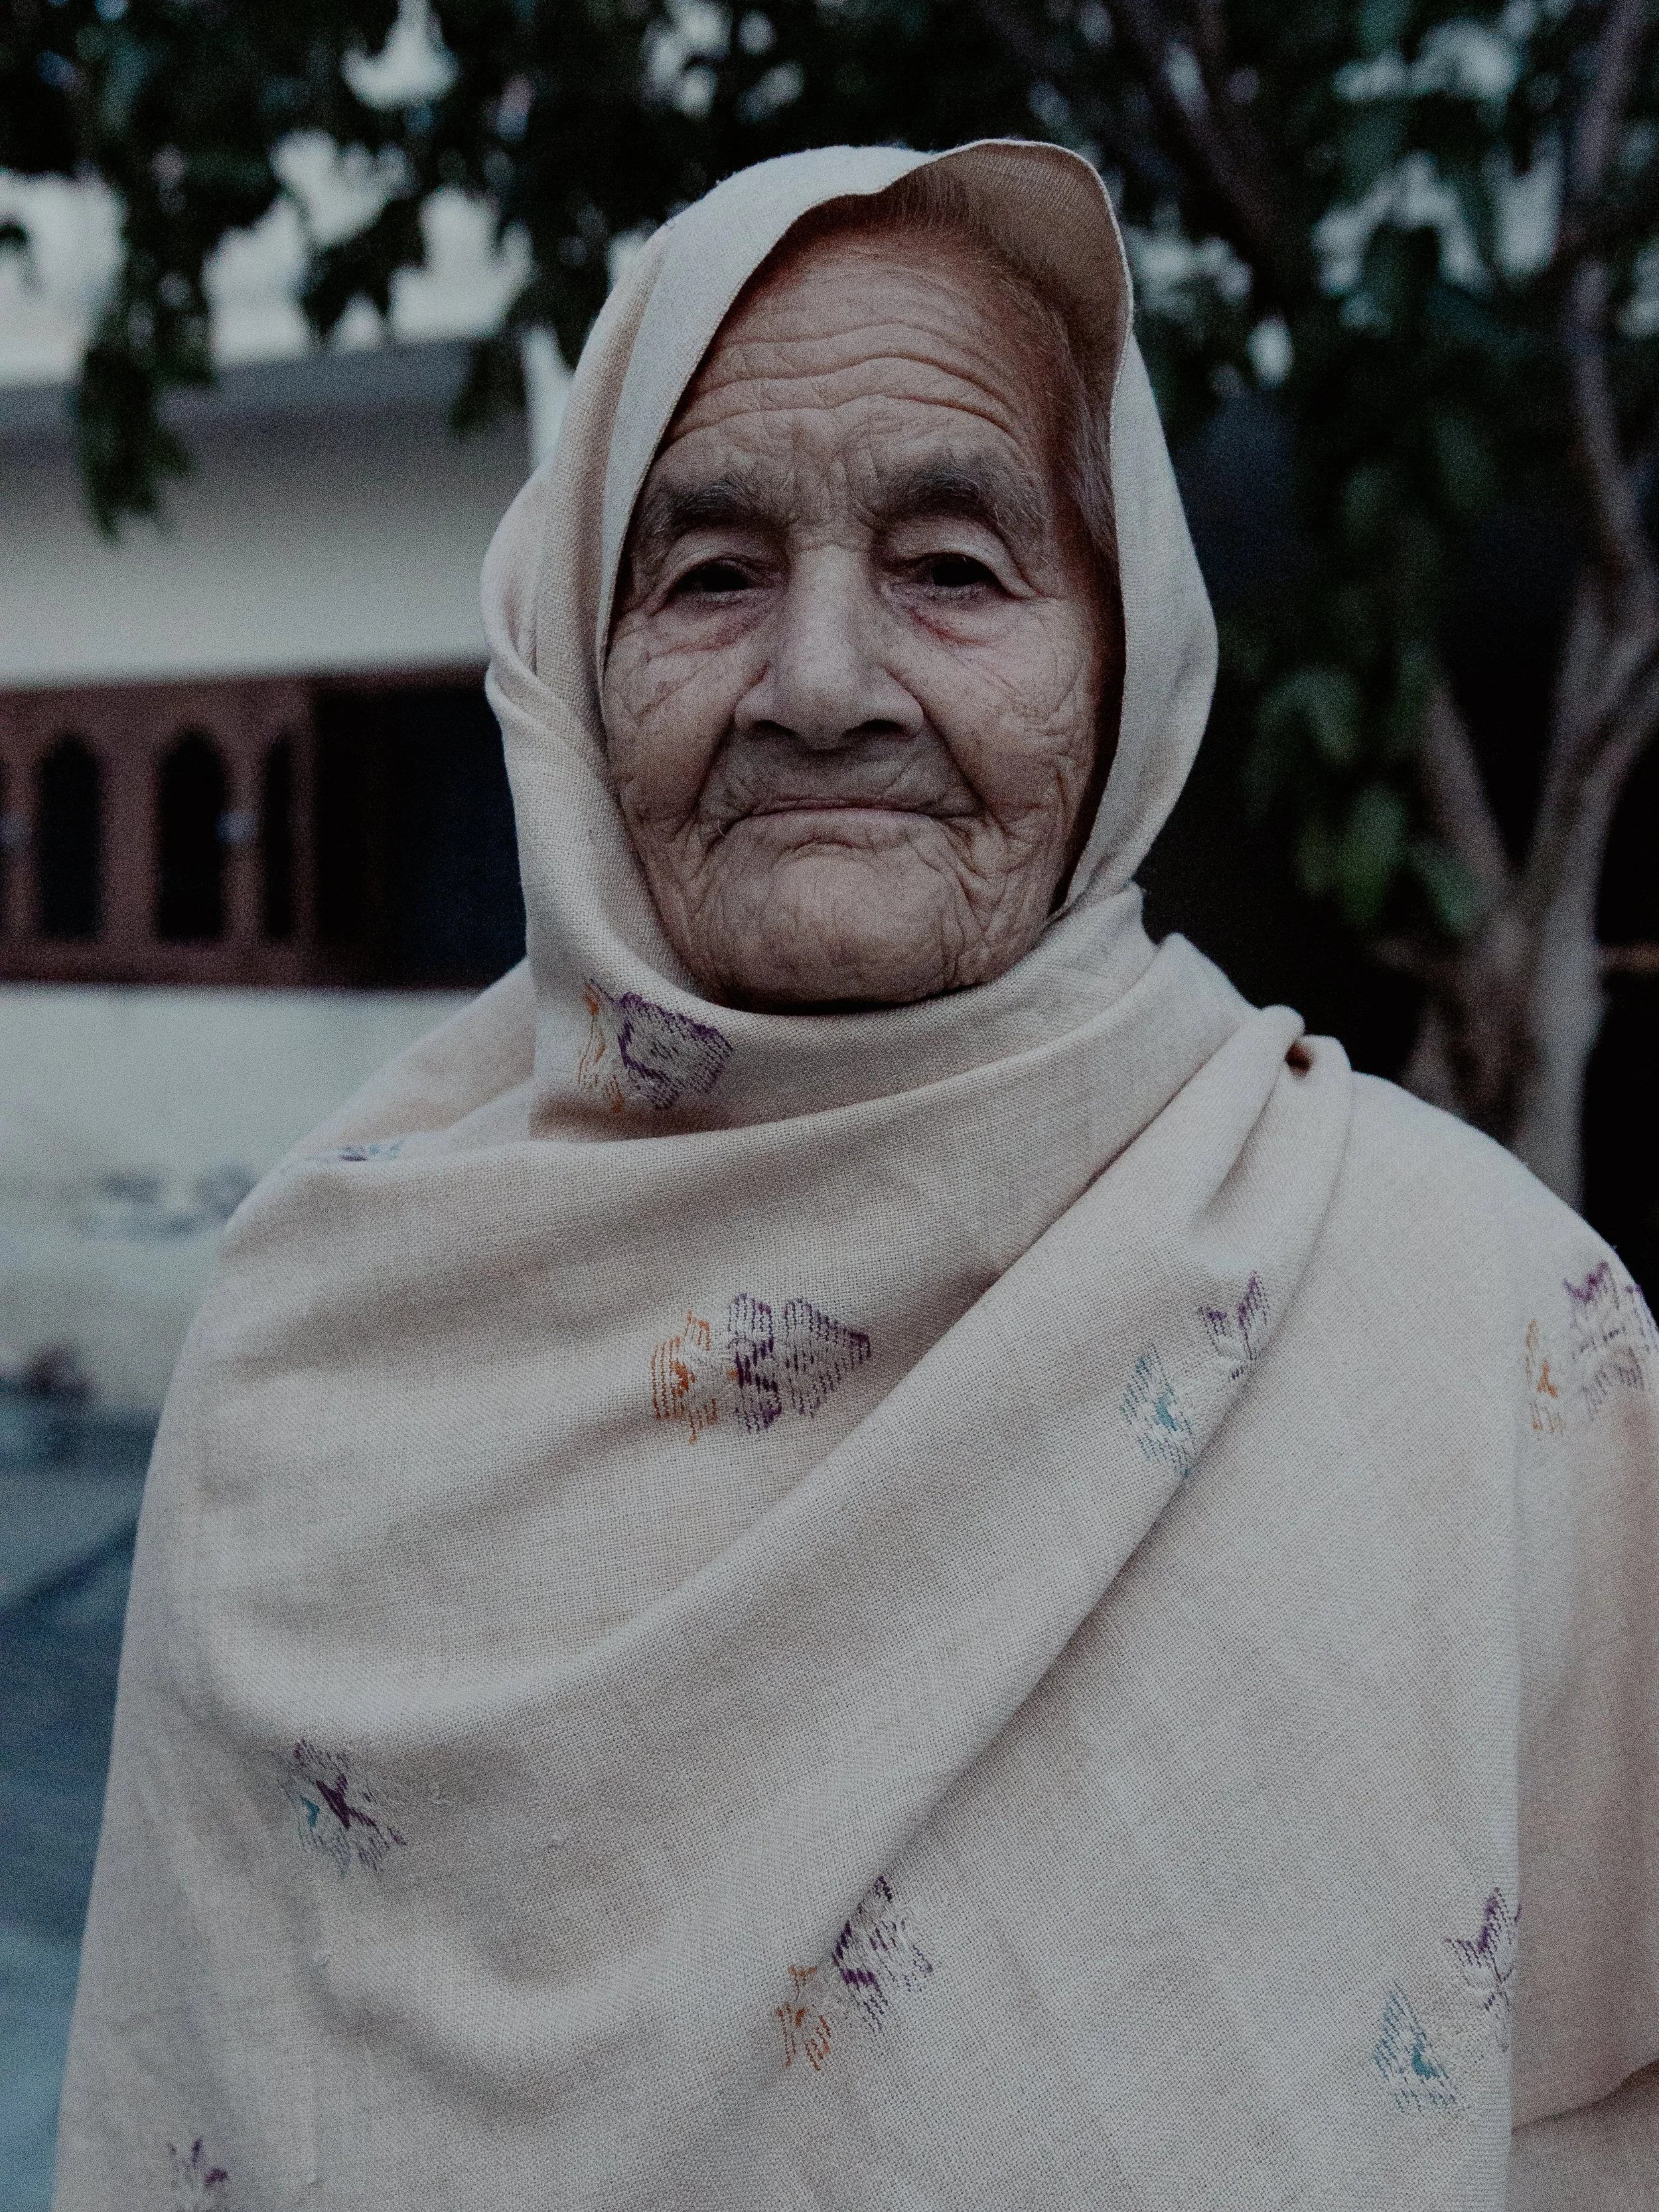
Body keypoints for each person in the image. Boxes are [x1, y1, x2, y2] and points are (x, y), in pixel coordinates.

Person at [54, 139, 1659, 2211]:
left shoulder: (1493, 1330)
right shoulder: (327, 1344)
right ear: (571, 661)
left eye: (955, 569)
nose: (821, 688)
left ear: (1124, 656)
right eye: (708, 575)